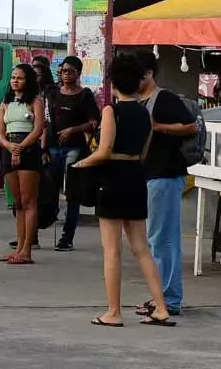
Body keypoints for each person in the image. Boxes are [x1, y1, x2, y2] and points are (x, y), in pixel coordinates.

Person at [73, 52, 176, 328]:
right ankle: (162, 308)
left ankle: (114, 311)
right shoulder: (145, 112)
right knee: (142, 248)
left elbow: (104, 150)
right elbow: (143, 152)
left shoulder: (111, 110)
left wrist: (81, 163)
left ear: (113, 82)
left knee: (112, 250)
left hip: (113, 178)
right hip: (135, 177)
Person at [136, 49, 197, 318]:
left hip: (166, 174)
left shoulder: (165, 99)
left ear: (148, 73)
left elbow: (190, 126)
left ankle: (170, 299)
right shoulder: (138, 100)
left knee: (163, 240)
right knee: (155, 240)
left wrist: (158, 127)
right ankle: (160, 296)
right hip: (150, 175)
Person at [44, 56, 100, 252]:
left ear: (78, 73)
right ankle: (36, 230)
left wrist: (73, 130)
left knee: (72, 195)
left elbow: (94, 122)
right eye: (63, 70)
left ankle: (67, 237)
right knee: (49, 191)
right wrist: (43, 147)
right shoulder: (51, 93)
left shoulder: (84, 95)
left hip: (74, 149)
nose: (65, 74)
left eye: (70, 71)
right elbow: (45, 121)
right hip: (52, 148)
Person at [0, 64, 45, 265]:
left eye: (20, 78)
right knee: (17, 203)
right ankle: (18, 248)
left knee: (28, 201)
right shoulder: (5, 104)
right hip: (9, 148)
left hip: (29, 149)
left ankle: (27, 249)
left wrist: (20, 147)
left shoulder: (35, 101)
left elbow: (39, 128)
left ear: (29, 81)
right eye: (13, 77)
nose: (15, 81)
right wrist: (9, 145)